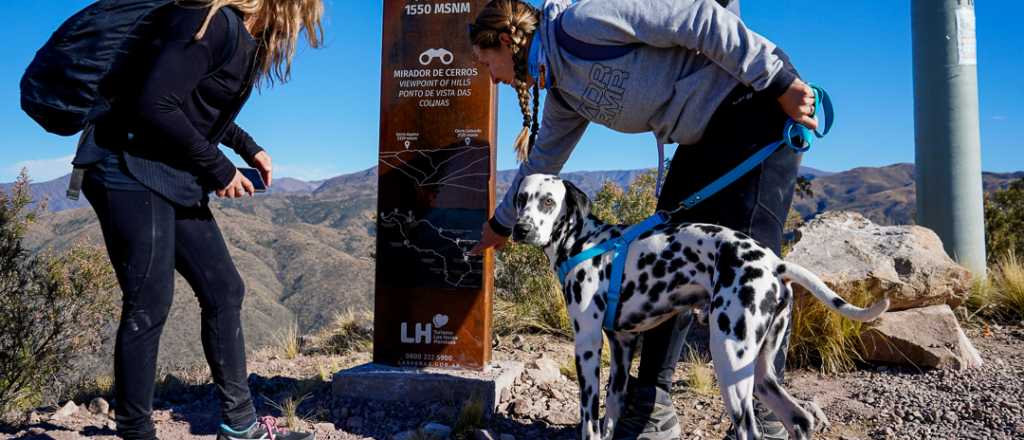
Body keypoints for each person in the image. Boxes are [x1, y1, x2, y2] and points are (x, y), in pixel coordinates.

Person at [466, 0, 816, 439]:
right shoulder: (562, 93)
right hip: (702, 135)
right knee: (663, 253)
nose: (490, 76)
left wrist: (779, 81)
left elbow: (701, 19)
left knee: (749, 259)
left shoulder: (582, 24)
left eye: (486, 63)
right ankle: (651, 407)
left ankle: (764, 421)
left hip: (757, 102)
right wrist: (500, 225)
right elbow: (541, 164)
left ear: (504, 41)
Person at [75, 1, 323, 439]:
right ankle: (136, 432)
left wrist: (247, 147)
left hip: (167, 170)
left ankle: (241, 426)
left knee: (224, 288)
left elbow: (193, 102)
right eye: (307, 12)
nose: (304, 25)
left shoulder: (240, 37)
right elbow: (154, 102)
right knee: (149, 303)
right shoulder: (216, 25)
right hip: (124, 167)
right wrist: (220, 170)